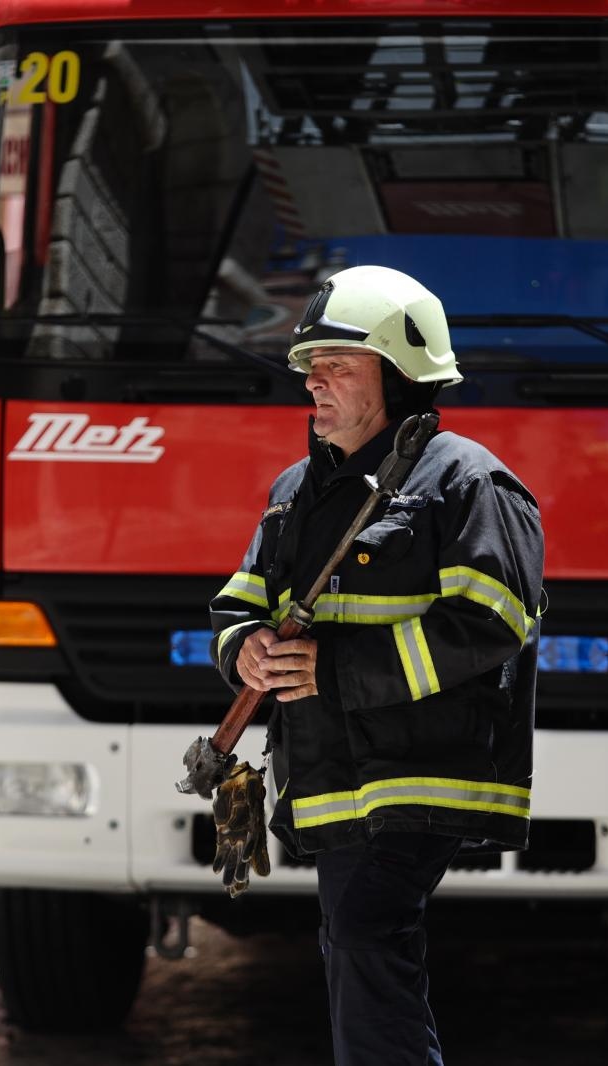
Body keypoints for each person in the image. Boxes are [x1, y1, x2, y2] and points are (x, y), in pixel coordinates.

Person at [208, 265, 545, 1066]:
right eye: (310, 369)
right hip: (330, 775)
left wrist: (335, 670)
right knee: (354, 946)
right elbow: (237, 603)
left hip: (423, 770)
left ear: (397, 376)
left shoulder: (469, 482)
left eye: (338, 367)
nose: (314, 385)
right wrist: (244, 648)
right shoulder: (294, 492)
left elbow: (490, 622)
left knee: (362, 934)